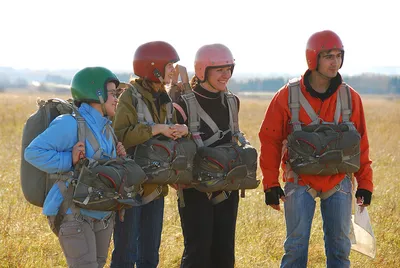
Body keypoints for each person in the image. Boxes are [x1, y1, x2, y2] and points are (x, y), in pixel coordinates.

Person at [258, 30, 373, 268]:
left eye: (338, 55)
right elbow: (270, 141)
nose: (335, 62)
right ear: (313, 59)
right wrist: (270, 184)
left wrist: (365, 183)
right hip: (300, 181)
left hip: (339, 180)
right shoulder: (286, 96)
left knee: (340, 248)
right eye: (328, 56)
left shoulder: (351, 98)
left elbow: (360, 143)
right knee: (296, 248)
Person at [24, 66, 126, 267]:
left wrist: (120, 158)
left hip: (102, 212)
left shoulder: (106, 128)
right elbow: (33, 152)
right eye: (113, 94)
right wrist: (68, 160)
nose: (116, 99)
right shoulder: (69, 123)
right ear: (97, 94)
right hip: (73, 212)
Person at [111, 41, 188, 268]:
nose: (174, 70)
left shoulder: (164, 98)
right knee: (126, 252)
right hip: (130, 186)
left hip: (155, 185)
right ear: (153, 68)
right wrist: (154, 129)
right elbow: (119, 137)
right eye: (170, 65)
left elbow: (168, 132)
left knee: (150, 254)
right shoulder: (129, 98)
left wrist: (181, 131)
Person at [173, 43, 242, 268]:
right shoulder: (182, 104)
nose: (226, 75)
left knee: (225, 253)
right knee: (198, 252)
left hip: (227, 186)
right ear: (202, 71)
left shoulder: (233, 101)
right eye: (220, 70)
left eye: (229, 69)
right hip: (194, 189)